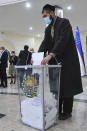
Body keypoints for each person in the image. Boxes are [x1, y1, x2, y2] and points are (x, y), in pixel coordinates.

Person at [38, 4, 83, 120]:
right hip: (55, 64)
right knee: (56, 88)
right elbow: (45, 43)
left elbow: (62, 40)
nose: (44, 18)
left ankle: (67, 112)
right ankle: (57, 109)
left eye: (45, 15)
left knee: (67, 87)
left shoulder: (64, 23)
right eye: (43, 16)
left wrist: (50, 55)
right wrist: (37, 56)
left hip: (67, 61)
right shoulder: (48, 29)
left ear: (52, 13)